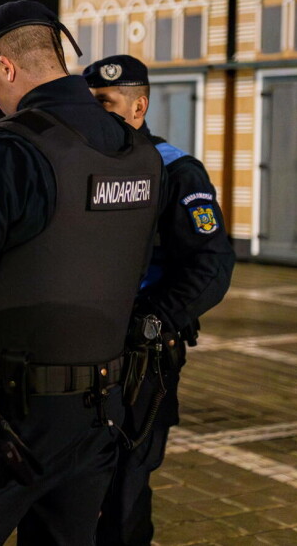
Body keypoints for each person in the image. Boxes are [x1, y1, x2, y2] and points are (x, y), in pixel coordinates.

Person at [0, 0, 164, 545]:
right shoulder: (138, 154)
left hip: (5, 419)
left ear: (9, 68)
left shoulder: (4, 153)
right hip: (101, 415)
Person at [82, 54, 235, 546]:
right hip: (80, 354)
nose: (95, 114)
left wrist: (151, 320)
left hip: (140, 361)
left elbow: (210, 265)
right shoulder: (79, 165)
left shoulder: (176, 171)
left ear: (138, 106)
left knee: (125, 491)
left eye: (106, 103)